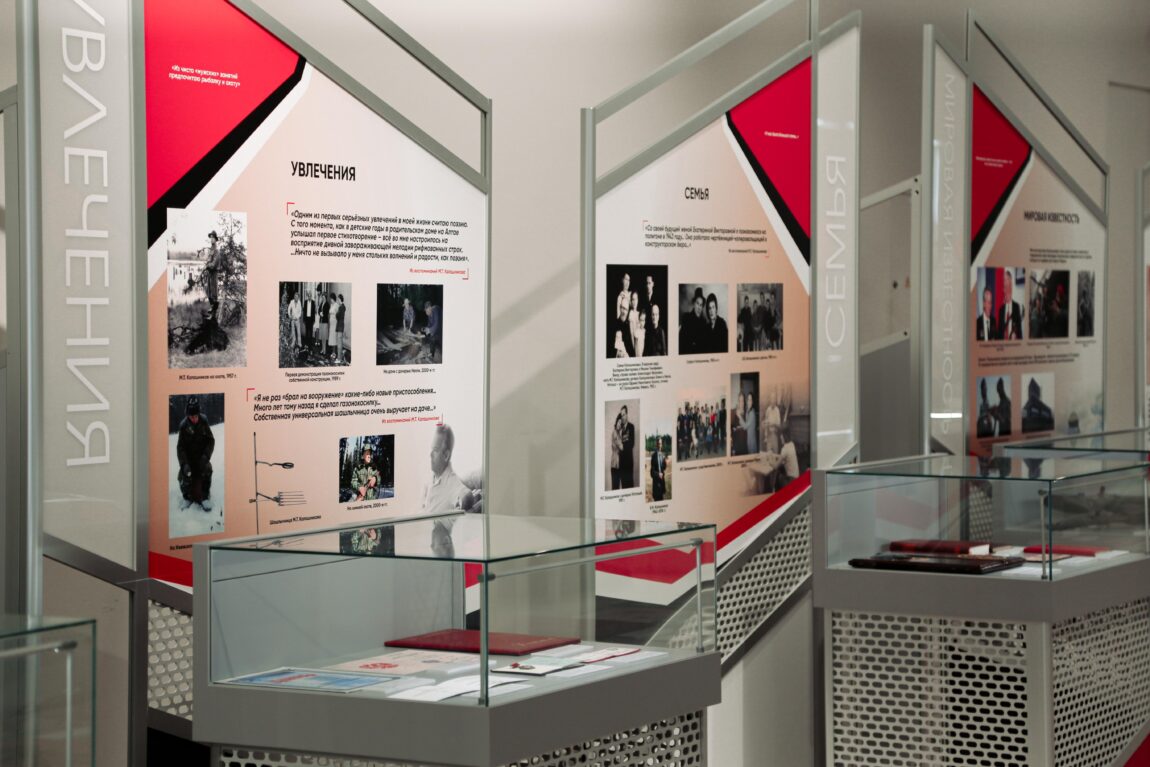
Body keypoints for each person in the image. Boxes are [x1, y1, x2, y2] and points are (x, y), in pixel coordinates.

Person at [421, 424, 478, 556]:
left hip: (440, 539)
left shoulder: (452, 483)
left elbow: (466, 495)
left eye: (435, 450)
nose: (430, 454)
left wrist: (463, 501)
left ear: (446, 455)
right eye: (431, 449)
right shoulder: (430, 479)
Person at [176, 397, 215, 512]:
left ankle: (205, 497)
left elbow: (211, 441)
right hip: (189, 460)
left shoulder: (204, 421)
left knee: (207, 468)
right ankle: (187, 498)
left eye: (196, 416)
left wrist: (206, 456)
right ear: (187, 415)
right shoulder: (183, 426)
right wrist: (184, 463)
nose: (194, 419)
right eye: (191, 416)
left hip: (201, 458)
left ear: (198, 414)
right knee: (183, 474)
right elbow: (180, 448)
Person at [998, 269, 1024, 340]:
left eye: (1006, 279)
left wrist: (1016, 337)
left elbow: (1020, 333)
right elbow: (999, 334)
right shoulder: (1001, 310)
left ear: (1011, 282)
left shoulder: (1016, 307)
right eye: (1004, 280)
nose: (1004, 282)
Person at [202, 231, 223, 319]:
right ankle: (211, 312)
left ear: (216, 239)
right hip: (210, 273)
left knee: (214, 293)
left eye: (213, 238)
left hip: (214, 273)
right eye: (210, 237)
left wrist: (208, 266)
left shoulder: (217, 251)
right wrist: (206, 265)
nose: (211, 239)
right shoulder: (211, 250)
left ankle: (213, 317)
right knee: (209, 291)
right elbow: (208, 261)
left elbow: (214, 264)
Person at [680, 288, 705, 354]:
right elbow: (682, 343)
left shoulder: (704, 322)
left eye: (701, 305)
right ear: (694, 304)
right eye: (697, 303)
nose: (699, 307)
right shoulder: (686, 318)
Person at [617, 405, 636, 488]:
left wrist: (622, 446)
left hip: (628, 463)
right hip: (621, 464)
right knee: (623, 487)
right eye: (621, 415)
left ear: (627, 414)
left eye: (624, 415)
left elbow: (631, 443)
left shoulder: (631, 427)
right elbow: (616, 443)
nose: (622, 417)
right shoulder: (619, 429)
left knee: (629, 486)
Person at [651, 436, 667, 501]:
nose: (659, 446)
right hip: (656, 485)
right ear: (656, 445)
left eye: (660, 444)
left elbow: (664, 467)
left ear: (662, 445)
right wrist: (658, 474)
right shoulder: (653, 456)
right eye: (658, 444)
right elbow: (652, 473)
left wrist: (665, 461)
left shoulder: (662, 455)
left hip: (662, 484)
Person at [610, 413, 624, 489]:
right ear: (616, 421)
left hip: (618, 465)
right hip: (615, 465)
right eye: (619, 422)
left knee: (617, 488)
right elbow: (621, 447)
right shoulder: (615, 433)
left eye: (621, 424)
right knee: (615, 488)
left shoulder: (618, 434)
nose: (619, 425)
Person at [334, 294, 347, 364]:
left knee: (339, 343)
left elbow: (338, 316)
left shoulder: (341, 307)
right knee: (340, 343)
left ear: (340, 299)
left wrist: (336, 313)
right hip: (340, 326)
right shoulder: (342, 307)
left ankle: (339, 359)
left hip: (340, 326)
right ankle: (340, 357)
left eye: (338, 299)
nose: (337, 301)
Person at [744, 389, 758, 454]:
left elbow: (745, 426)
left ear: (752, 402)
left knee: (752, 453)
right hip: (748, 437)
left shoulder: (752, 412)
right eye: (748, 400)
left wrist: (739, 416)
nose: (749, 402)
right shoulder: (748, 410)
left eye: (750, 400)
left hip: (752, 440)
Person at [317, 292, 331, 356]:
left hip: (325, 322)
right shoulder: (321, 303)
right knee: (322, 336)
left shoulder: (327, 304)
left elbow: (326, 312)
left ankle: (324, 350)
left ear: (325, 297)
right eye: (322, 297)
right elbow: (319, 310)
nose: (322, 298)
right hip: (321, 321)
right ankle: (322, 349)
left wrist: (323, 314)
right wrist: (320, 313)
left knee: (324, 337)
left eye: (323, 297)